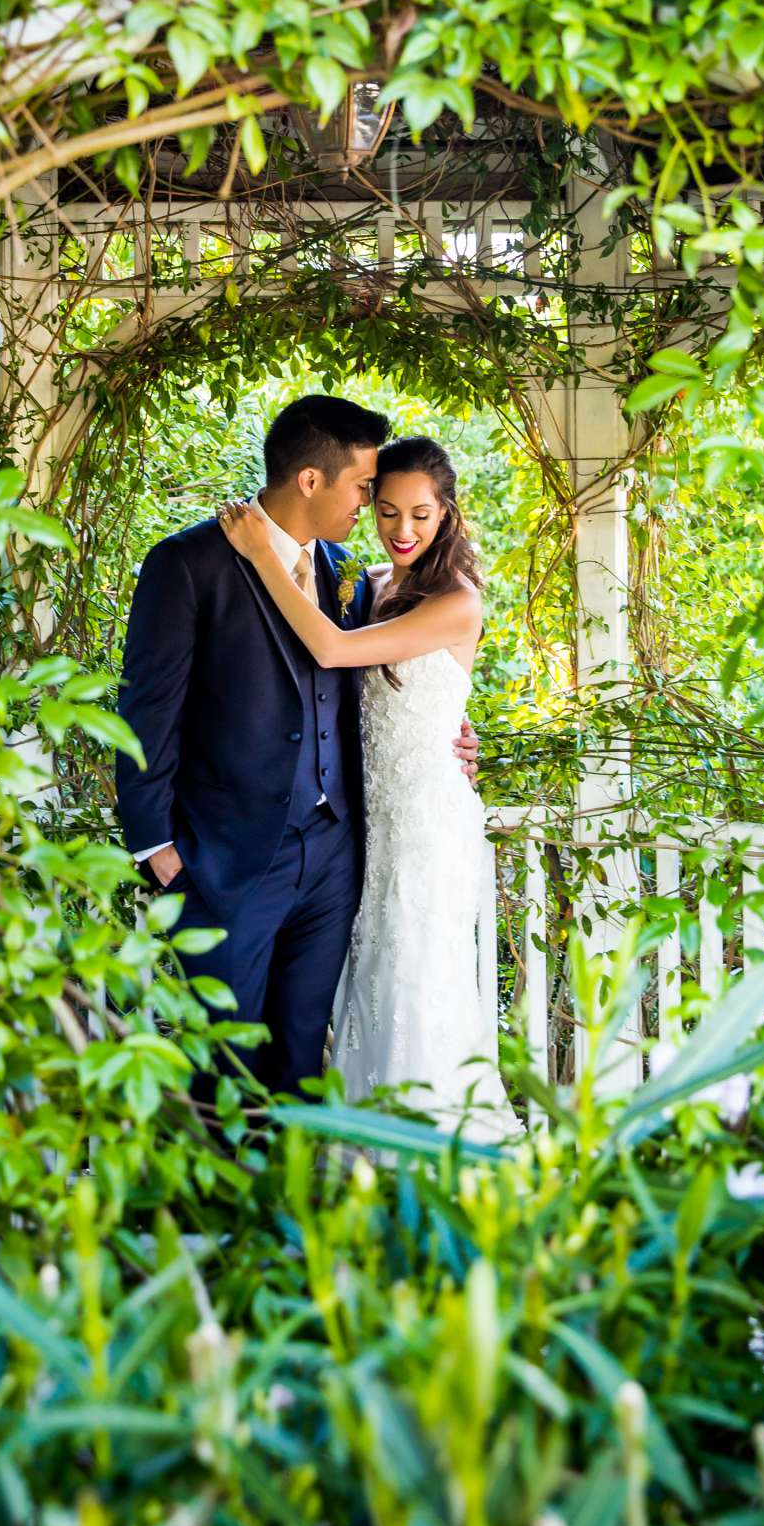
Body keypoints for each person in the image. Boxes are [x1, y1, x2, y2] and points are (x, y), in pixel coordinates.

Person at [116, 394, 479, 1102]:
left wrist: (453, 736)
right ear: (311, 480)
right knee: (221, 1060)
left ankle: (294, 1204)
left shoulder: (347, 573)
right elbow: (146, 710)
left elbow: (384, 674)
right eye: (366, 490)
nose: (372, 507)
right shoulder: (189, 563)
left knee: (302, 1055)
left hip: (335, 860)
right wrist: (155, 847)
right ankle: (222, 1209)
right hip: (226, 861)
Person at [219, 434, 519, 1139]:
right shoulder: (374, 588)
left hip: (426, 824)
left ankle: (434, 1151)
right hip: (371, 821)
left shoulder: (458, 602)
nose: (403, 530)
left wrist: (263, 555)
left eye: (420, 514)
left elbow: (331, 648)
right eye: (386, 512)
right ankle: (365, 1149)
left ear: (446, 513)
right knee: (371, 985)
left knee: (417, 982)